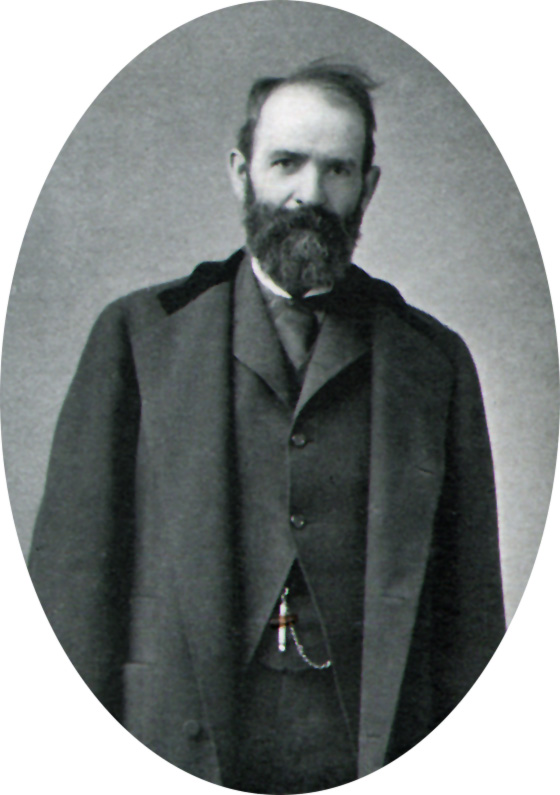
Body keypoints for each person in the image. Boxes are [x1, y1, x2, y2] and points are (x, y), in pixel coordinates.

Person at [28, 62, 505, 793]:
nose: (309, 193)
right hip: (173, 742)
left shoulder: (431, 361)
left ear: (368, 186)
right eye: (286, 162)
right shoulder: (138, 337)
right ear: (240, 171)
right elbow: (69, 597)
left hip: (371, 754)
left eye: (337, 169)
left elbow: (471, 624)